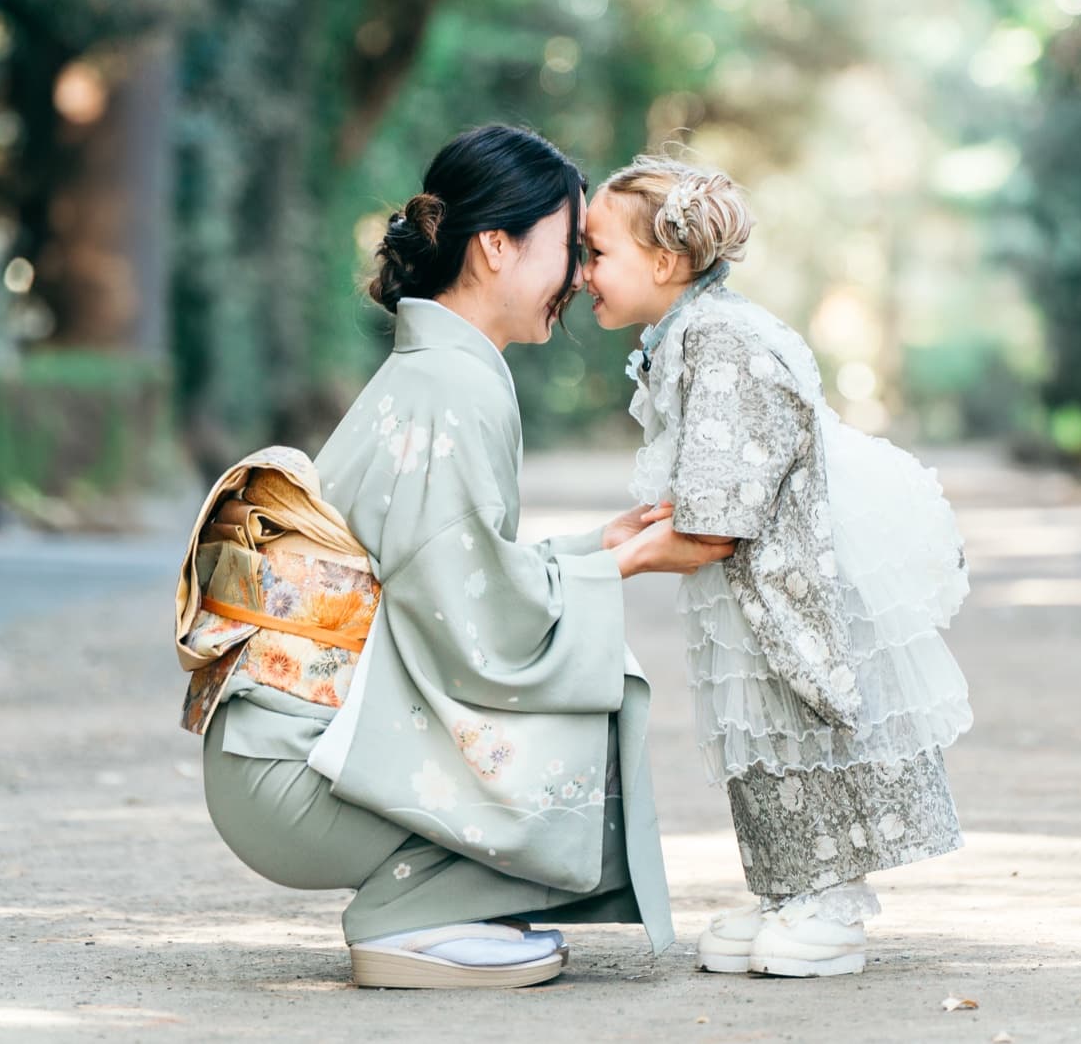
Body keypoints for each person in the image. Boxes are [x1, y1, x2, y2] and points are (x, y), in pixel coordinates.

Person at [199, 126, 733, 989]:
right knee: (586, 689)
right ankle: (408, 916)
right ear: (495, 247)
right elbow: (474, 627)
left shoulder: (440, 370)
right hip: (299, 772)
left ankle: (431, 902)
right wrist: (621, 567)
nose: (580, 276)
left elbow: (449, 574)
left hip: (284, 754)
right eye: (570, 247)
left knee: (574, 658)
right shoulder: (451, 385)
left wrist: (592, 548)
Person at [580, 153, 974, 978]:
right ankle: (789, 888)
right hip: (755, 582)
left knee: (805, 719)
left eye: (597, 253)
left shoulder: (721, 335)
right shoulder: (689, 332)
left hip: (793, 570)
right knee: (759, 728)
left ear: (665, 260)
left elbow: (716, 521)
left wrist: (605, 563)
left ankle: (834, 901)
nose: (583, 274)